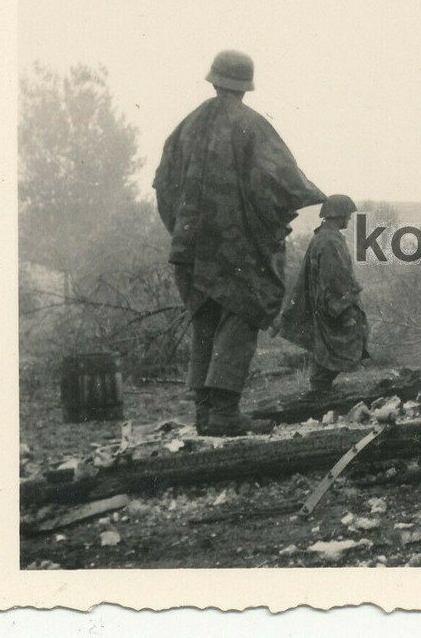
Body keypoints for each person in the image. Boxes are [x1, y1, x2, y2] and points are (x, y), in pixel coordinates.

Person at [153, 50, 325, 435]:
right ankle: (225, 411)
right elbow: (282, 180)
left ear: (213, 80)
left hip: (189, 249)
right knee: (244, 312)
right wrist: (316, 197)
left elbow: (163, 185)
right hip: (235, 249)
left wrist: (181, 232)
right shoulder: (252, 126)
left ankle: (205, 412)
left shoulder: (186, 126)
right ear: (246, 87)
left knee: (206, 321)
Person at [276, 194, 370, 398]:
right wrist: (344, 312)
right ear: (339, 215)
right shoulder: (329, 241)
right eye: (347, 215)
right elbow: (334, 279)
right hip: (333, 306)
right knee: (339, 344)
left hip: (327, 305)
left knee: (328, 347)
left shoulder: (325, 237)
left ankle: (320, 387)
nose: (349, 219)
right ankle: (319, 388)